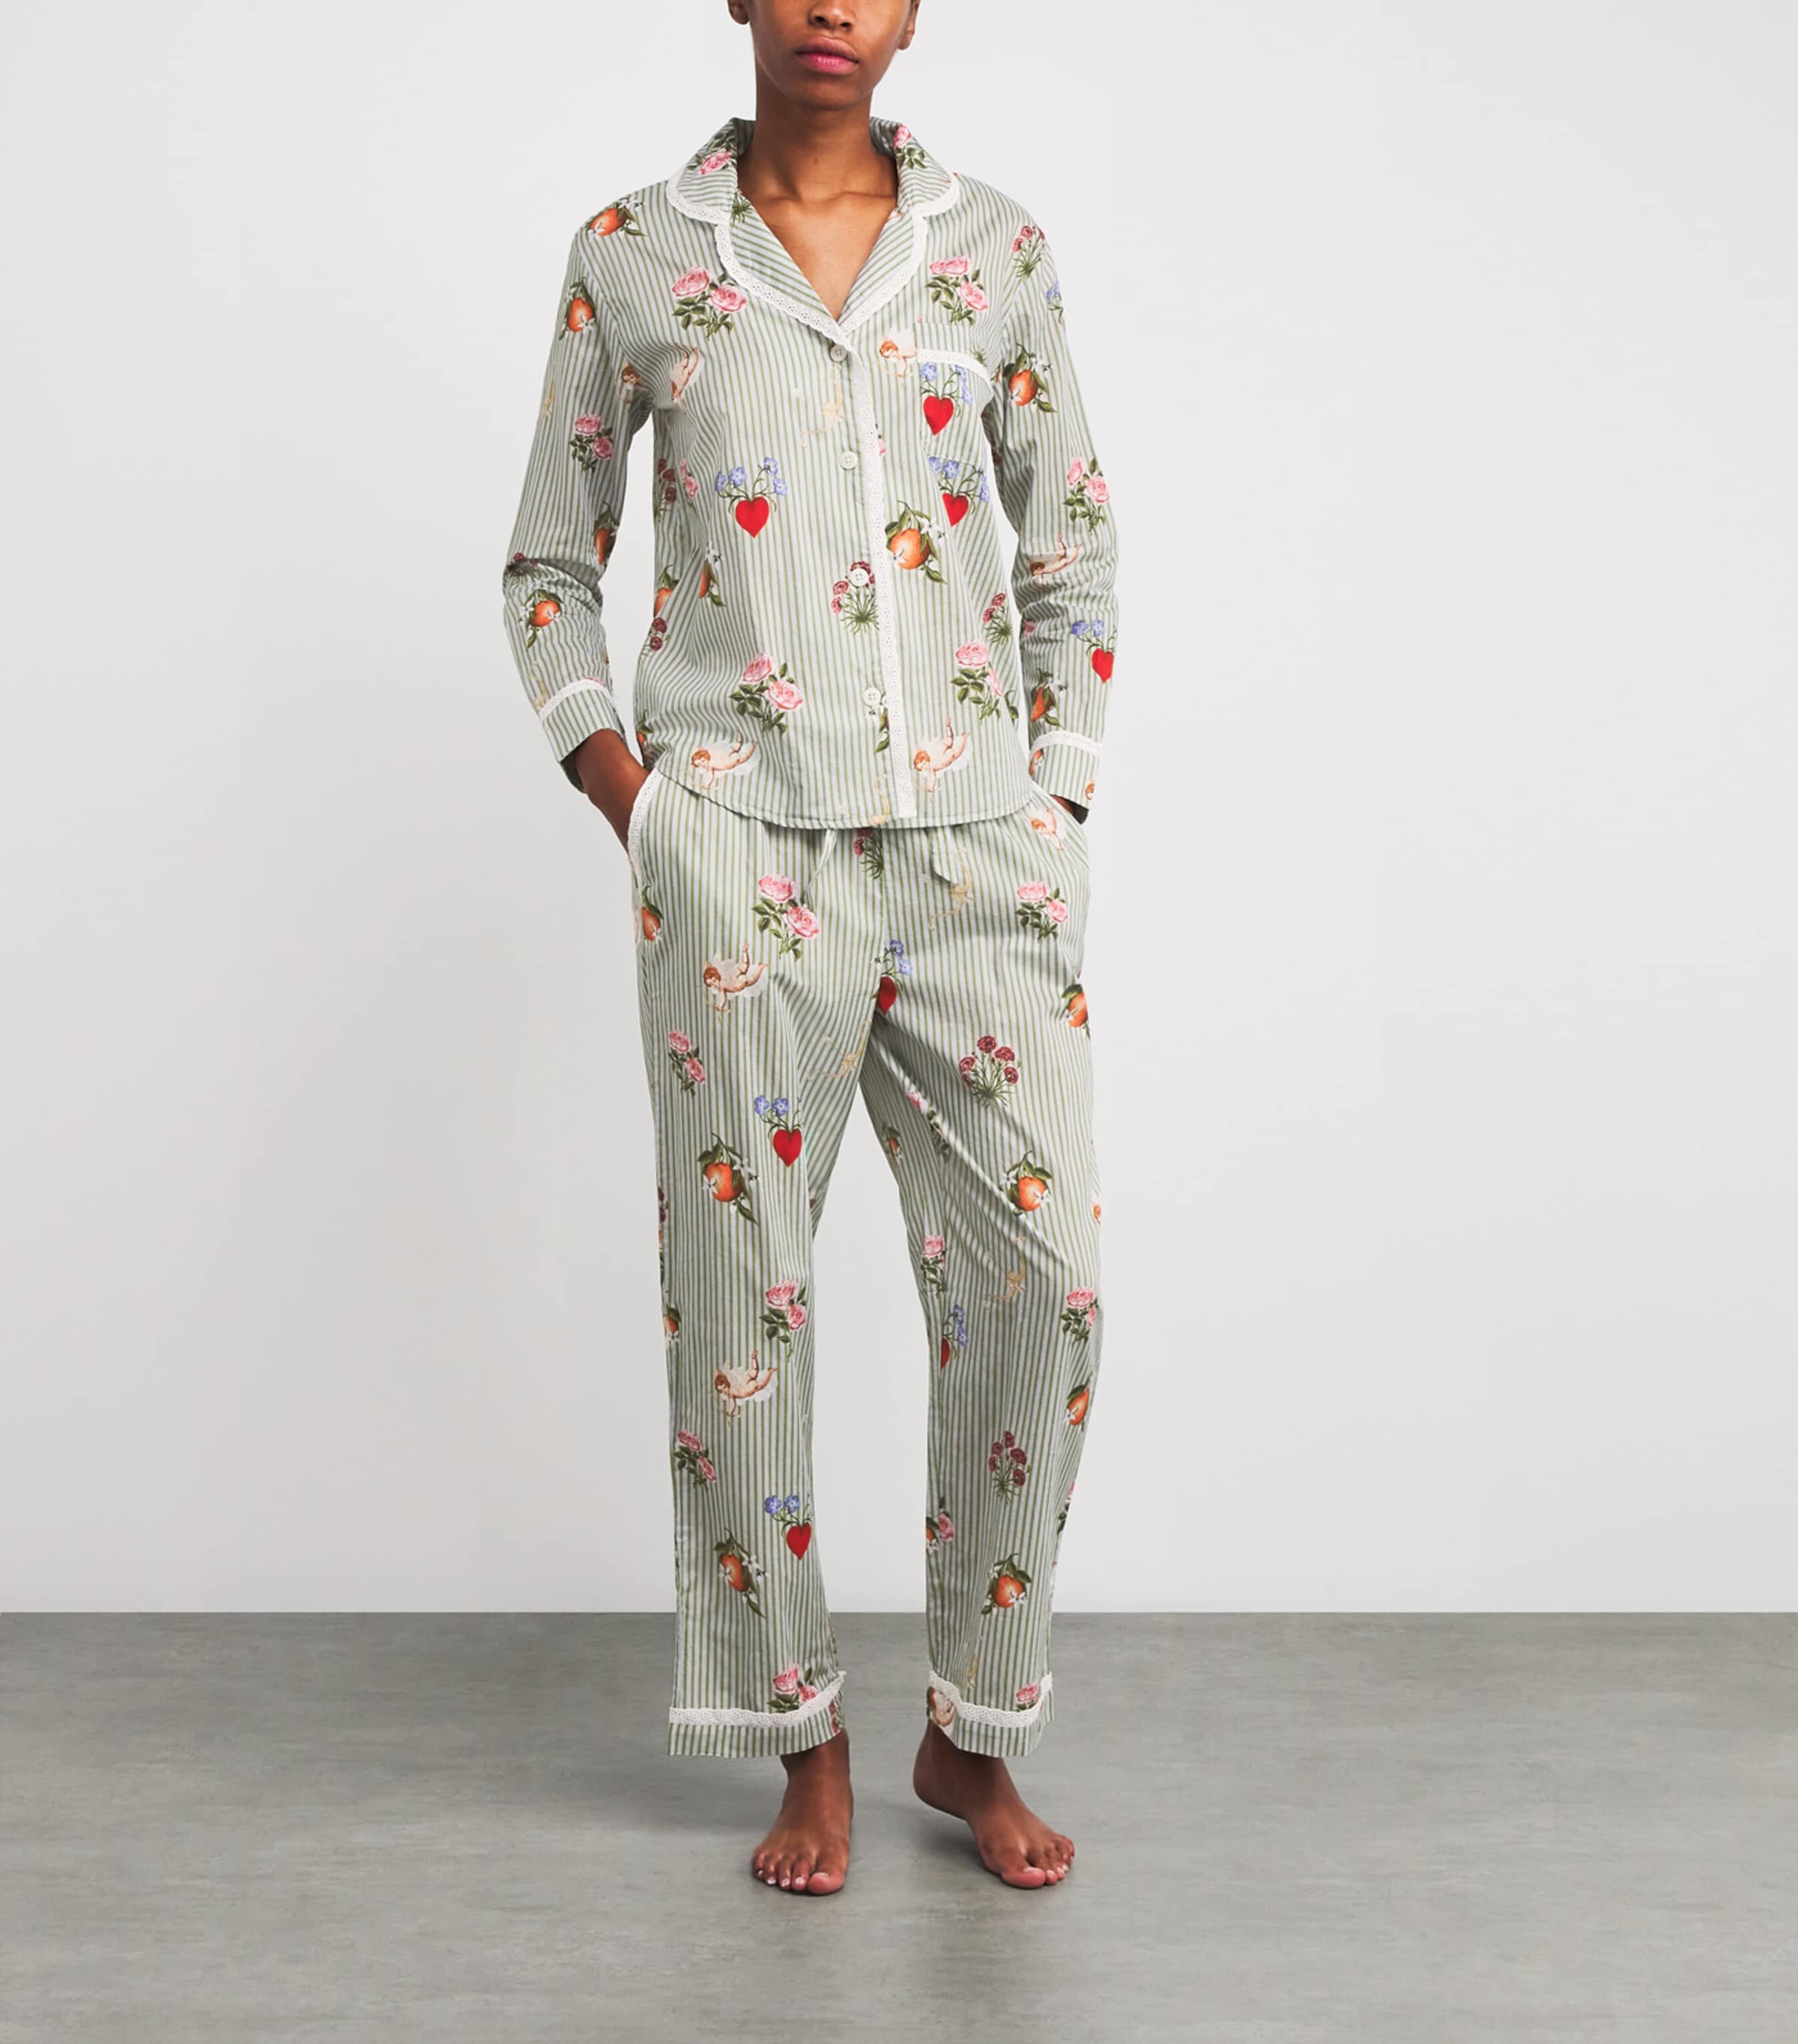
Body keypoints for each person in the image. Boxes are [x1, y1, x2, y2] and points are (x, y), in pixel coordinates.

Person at [499, 0, 1118, 1895]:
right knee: (742, 1306)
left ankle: (970, 1730)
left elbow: (1071, 540)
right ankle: (804, 1742)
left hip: (976, 852)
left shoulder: (995, 251)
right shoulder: (636, 254)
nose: (834, 6)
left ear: (914, 12)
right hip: (741, 857)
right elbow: (549, 562)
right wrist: (636, 799)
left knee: (1046, 1288)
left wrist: (1055, 795)